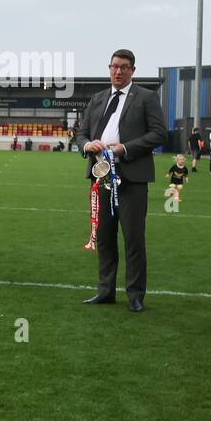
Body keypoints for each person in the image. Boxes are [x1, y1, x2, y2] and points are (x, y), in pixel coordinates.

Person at [75, 49, 167, 312]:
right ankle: (105, 291)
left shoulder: (146, 98)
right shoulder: (98, 98)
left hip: (132, 178)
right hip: (101, 176)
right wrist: (87, 144)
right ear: (109, 68)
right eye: (114, 66)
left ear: (133, 70)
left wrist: (124, 148)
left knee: (134, 238)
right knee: (104, 237)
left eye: (124, 67)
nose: (118, 71)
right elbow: (80, 133)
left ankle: (135, 295)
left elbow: (158, 134)